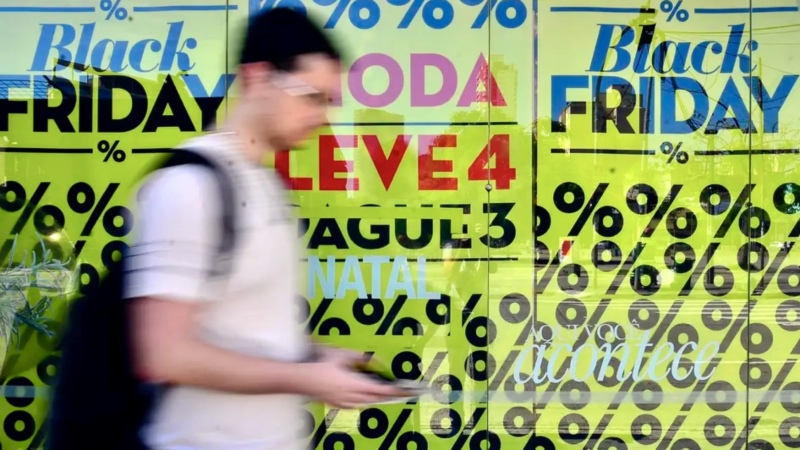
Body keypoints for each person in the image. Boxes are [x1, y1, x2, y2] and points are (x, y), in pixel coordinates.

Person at [123, 7, 405, 449]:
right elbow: (166, 355)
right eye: (311, 96)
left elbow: (244, 331)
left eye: (329, 101)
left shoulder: (265, 184)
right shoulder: (190, 186)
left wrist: (316, 358)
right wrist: (306, 377)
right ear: (256, 78)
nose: (324, 116)